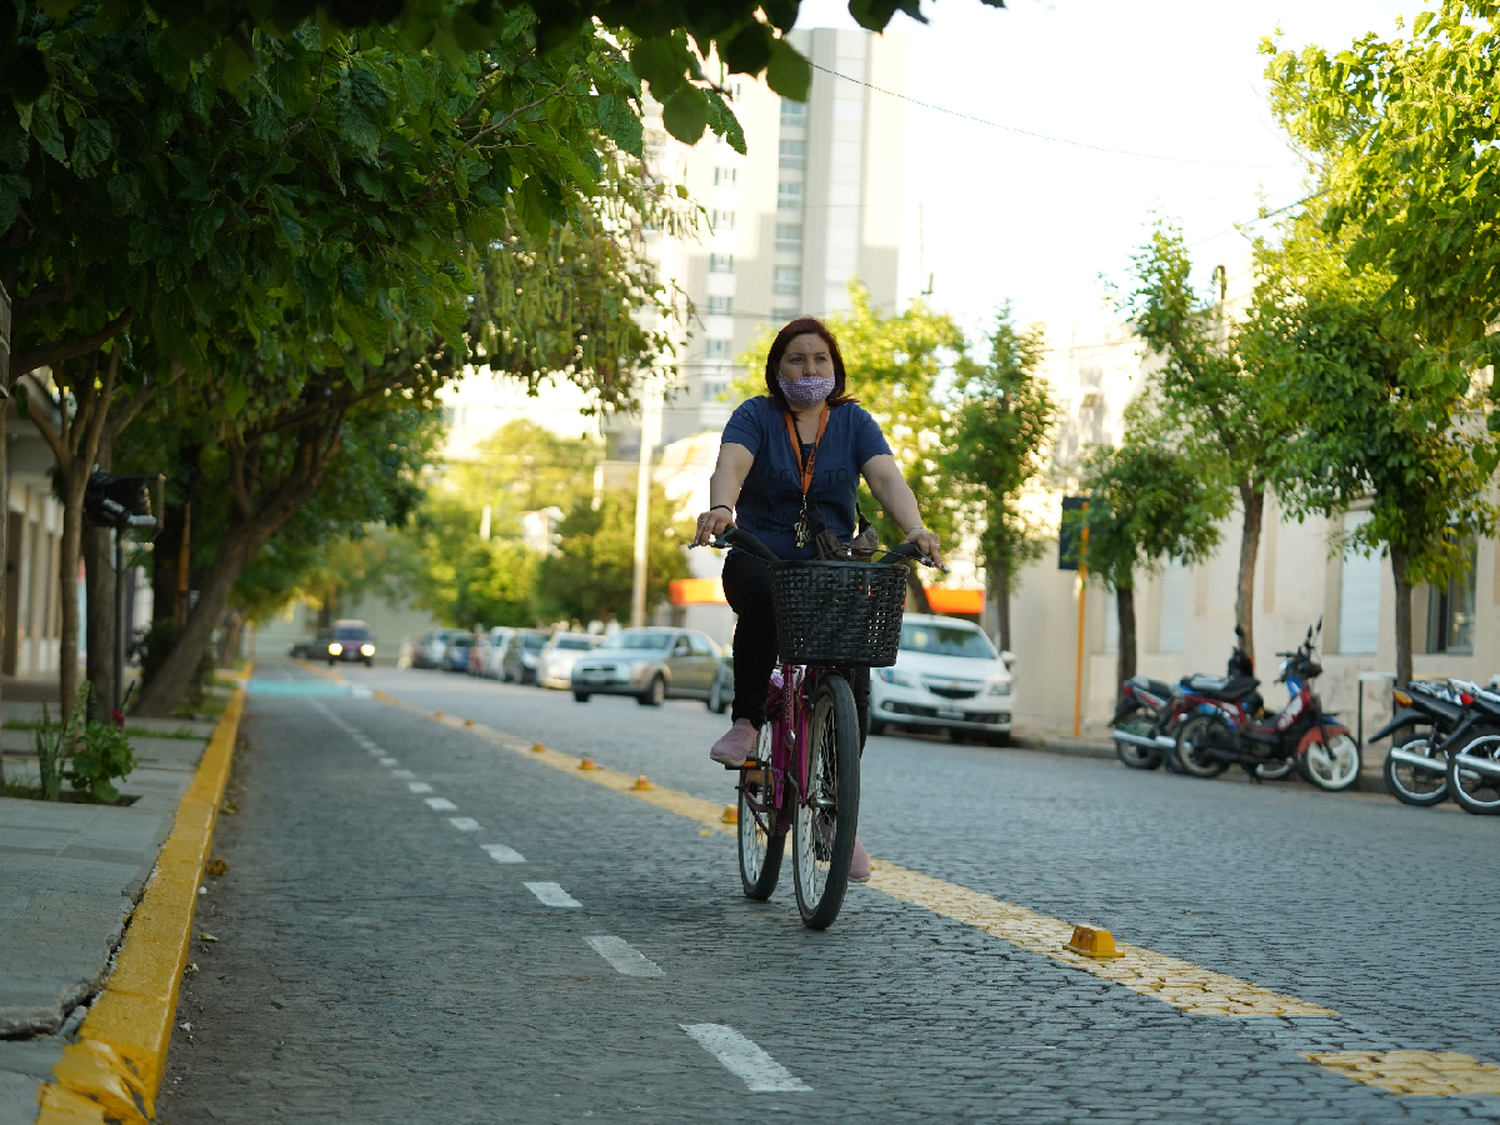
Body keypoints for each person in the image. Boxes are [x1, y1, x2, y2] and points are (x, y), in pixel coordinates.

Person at [692, 317, 944, 881]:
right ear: (777, 370)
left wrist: (916, 528)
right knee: (759, 589)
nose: (810, 370)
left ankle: (835, 811)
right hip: (764, 555)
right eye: (797, 360)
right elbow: (731, 465)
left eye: (820, 360)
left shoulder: (854, 423)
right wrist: (722, 510)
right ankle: (747, 722)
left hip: (833, 565)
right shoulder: (755, 415)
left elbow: (885, 479)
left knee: (856, 670)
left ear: (835, 369)